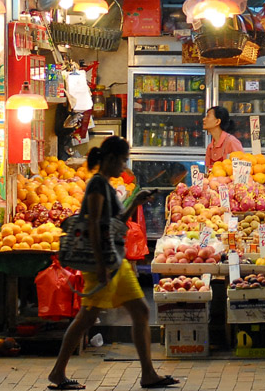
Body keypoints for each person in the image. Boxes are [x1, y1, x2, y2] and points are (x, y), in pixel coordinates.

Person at [49, 136, 179, 390]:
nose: (124, 166)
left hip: (114, 262)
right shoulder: (97, 186)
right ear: (110, 159)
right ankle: (57, 373)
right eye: (122, 160)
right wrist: (100, 266)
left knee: (141, 312)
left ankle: (148, 374)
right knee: (86, 319)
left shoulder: (106, 185)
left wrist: (136, 203)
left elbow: (114, 222)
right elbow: (96, 226)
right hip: (104, 264)